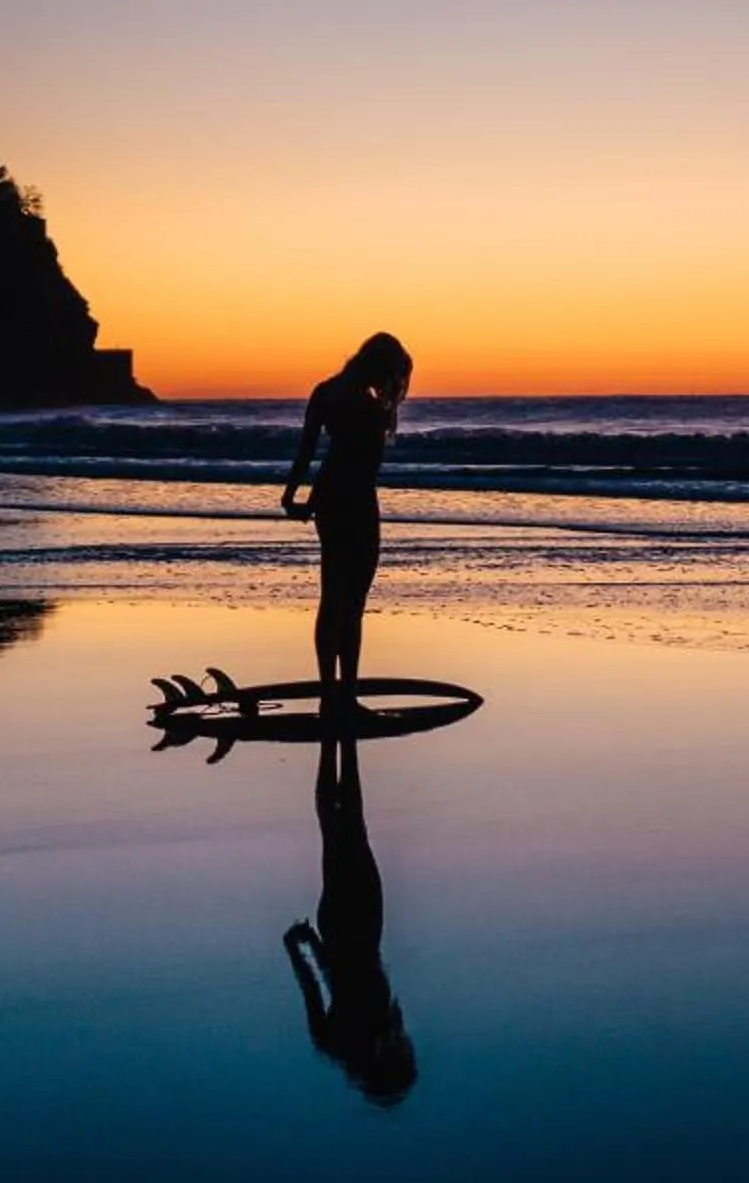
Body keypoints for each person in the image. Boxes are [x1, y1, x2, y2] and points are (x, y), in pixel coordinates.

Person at [282, 735, 417, 1104]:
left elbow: (326, 983)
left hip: (350, 925)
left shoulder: (341, 1040)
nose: (405, 1048)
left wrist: (299, 948)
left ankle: (338, 743)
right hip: (357, 926)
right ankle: (339, 743)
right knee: (345, 827)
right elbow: (332, 980)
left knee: (342, 827)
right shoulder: (375, 1033)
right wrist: (301, 947)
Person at [280, 331, 412, 700]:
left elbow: (306, 450)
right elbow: (368, 456)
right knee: (352, 603)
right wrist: (389, 407)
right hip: (357, 502)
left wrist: (291, 496)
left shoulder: (326, 392)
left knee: (331, 597)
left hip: (329, 498)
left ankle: (329, 693)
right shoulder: (371, 407)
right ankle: (347, 696)